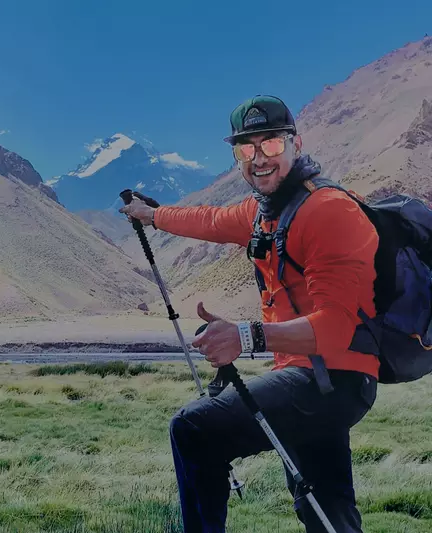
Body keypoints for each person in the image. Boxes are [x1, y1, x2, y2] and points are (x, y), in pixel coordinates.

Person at [119, 95, 379, 532]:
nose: (259, 158)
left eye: (271, 145)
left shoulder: (328, 211)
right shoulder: (266, 212)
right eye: (246, 148)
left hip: (333, 380)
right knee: (324, 510)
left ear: (295, 144)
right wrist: (154, 215)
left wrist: (246, 335)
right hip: (313, 378)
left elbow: (335, 328)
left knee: (193, 429)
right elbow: (210, 220)